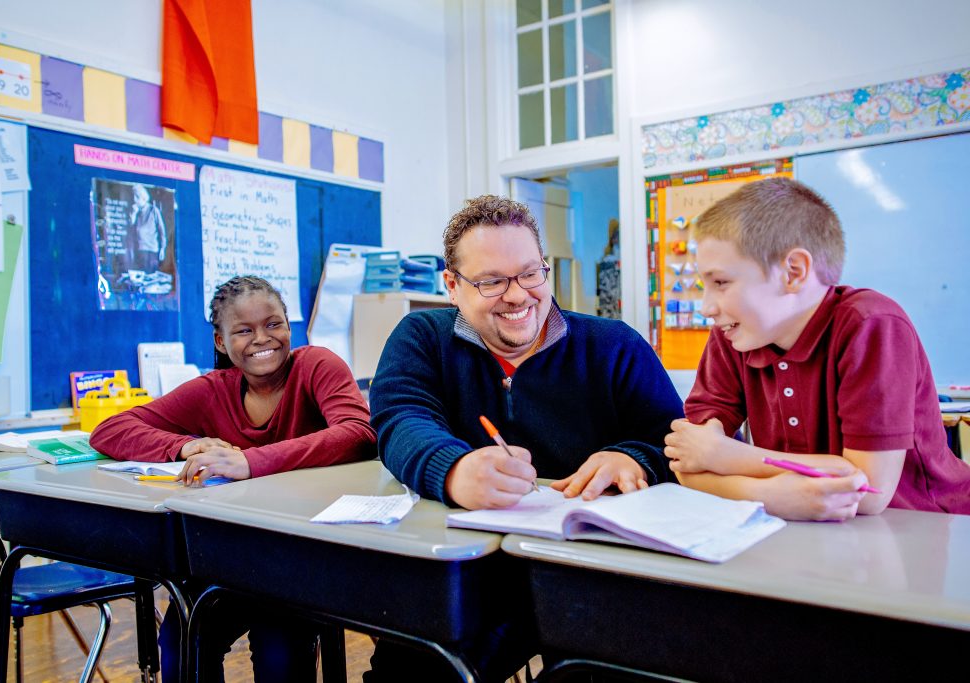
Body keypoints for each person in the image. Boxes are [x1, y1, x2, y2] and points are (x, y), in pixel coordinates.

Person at [366, 195, 683, 681]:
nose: (517, 295)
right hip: (467, 576)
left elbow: (669, 438)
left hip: (589, 576)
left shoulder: (613, 345)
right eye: (491, 281)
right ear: (452, 286)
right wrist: (452, 470)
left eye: (531, 273)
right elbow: (400, 419)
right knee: (415, 666)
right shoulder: (422, 337)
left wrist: (633, 458)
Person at [90, 275, 377, 682]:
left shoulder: (316, 366)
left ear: (288, 327)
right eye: (243, 330)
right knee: (180, 640)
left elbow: (358, 434)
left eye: (274, 324)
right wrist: (184, 446)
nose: (263, 338)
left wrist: (250, 461)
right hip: (230, 556)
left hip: (304, 556)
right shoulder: (212, 390)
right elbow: (110, 430)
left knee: (278, 651)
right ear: (221, 342)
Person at [664, 177, 970, 520]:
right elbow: (687, 464)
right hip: (804, 531)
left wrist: (728, 458)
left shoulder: (871, 323)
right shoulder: (733, 334)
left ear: (793, 272)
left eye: (721, 283)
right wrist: (766, 495)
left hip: (927, 526)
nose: (706, 307)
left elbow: (868, 493)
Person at [129, 183, 167, 273]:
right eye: (134, 197)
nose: (135, 200)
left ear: (143, 198)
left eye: (137, 197)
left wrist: (162, 248)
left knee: (151, 276)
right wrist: (133, 215)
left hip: (151, 250)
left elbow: (162, 231)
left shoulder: (153, 210)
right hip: (139, 250)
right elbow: (130, 231)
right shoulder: (135, 212)